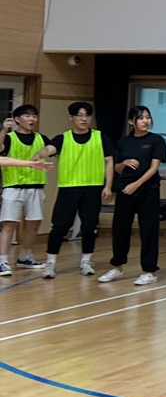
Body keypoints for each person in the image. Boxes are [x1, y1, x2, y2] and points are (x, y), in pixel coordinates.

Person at [42, 102, 115, 279]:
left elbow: (109, 161)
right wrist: (40, 153)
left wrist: (108, 186)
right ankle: (50, 263)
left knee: (89, 226)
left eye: (87, 115)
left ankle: (86, 261)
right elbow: (50, 148)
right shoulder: (63, 138)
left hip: (93, 187)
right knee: (59, 226)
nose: (84, 119)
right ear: (71, 118)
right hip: (69, 188)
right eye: (80, 115)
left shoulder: (100, 137)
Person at [99, 105, 166, 286]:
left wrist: (136, 184)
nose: (146, 121)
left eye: (148, 117)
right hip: (125, 190)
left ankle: (149, 271)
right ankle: (117, 266)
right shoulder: (123, 142)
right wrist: (124, 163)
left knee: (148, 230)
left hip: (148, 191)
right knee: (120, 229)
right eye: (141, 118)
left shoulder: (156, 140)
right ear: (131, 121)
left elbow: (154, 168)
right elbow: (117, 167)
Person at [1, 105, 53, 275]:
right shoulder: (9, 137)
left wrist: (44, 153)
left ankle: (25, 257)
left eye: (34, 116)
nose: (32, 119)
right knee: (9, 224)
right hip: (13, 186)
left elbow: (51, 148)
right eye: (27, 116)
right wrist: (3, 130)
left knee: (34, 224)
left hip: (36, 186)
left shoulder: (41, 138)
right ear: (17, 119)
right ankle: (2, 261)